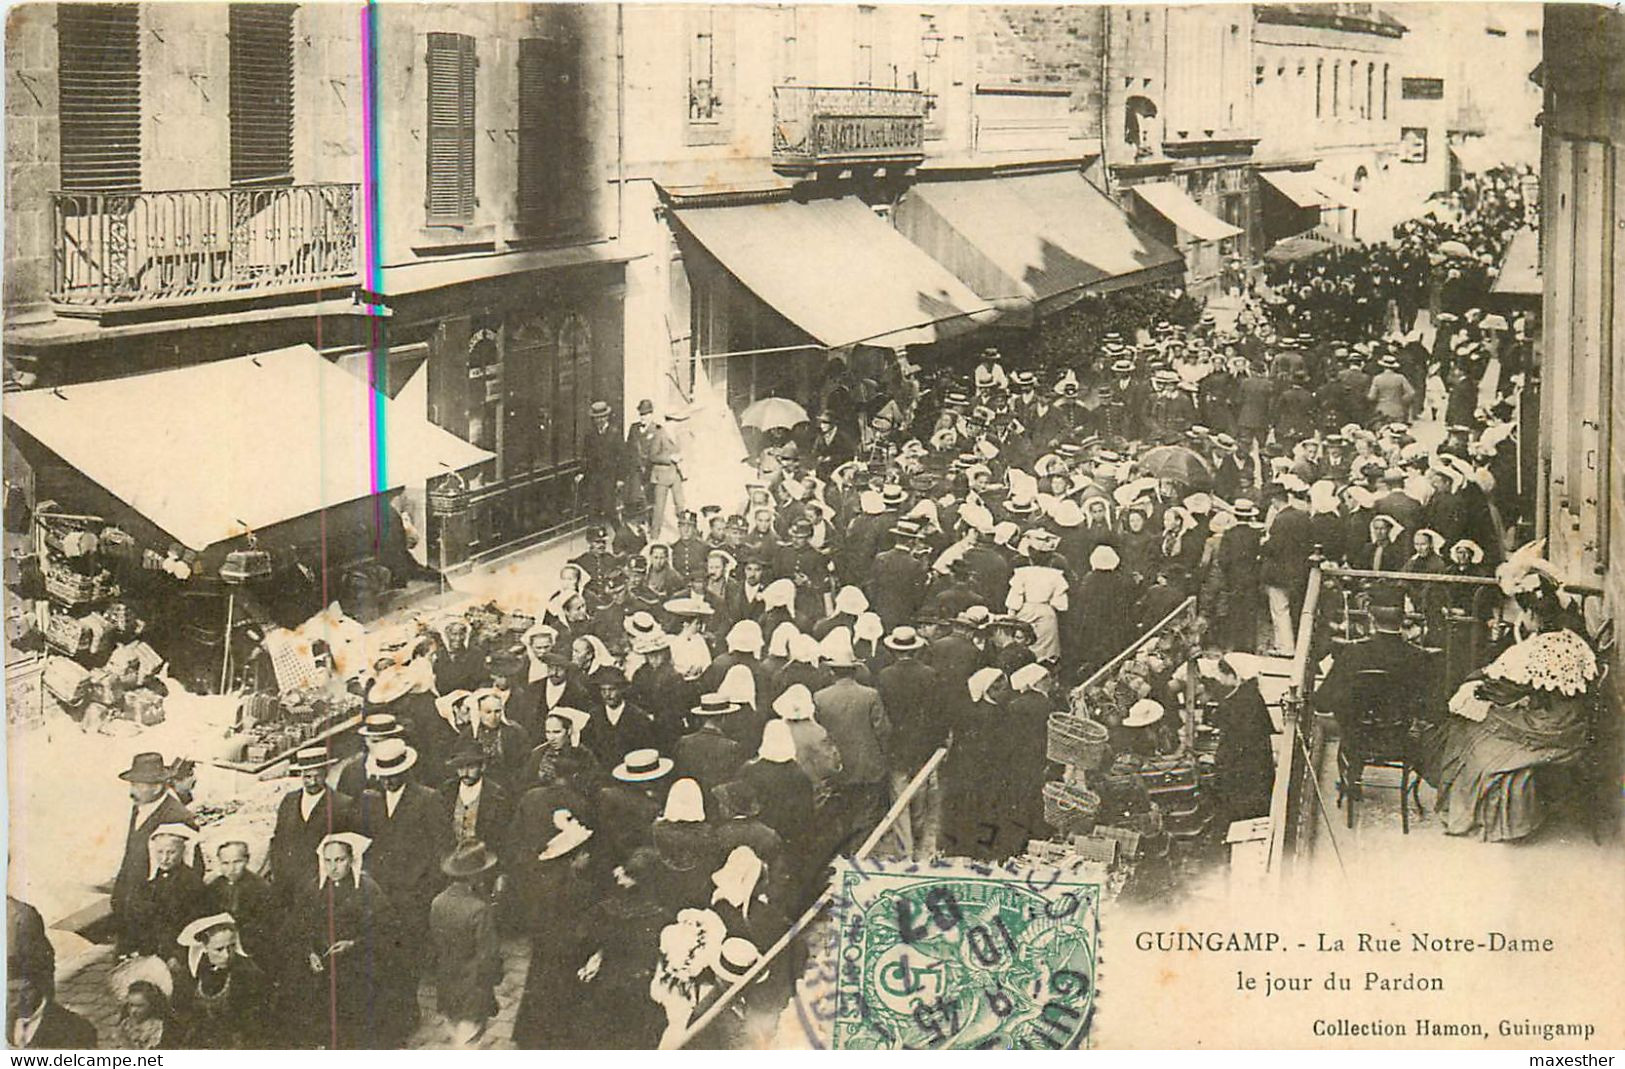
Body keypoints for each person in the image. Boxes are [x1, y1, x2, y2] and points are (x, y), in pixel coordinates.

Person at [293, 833, 399, 1048]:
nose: (333, 867)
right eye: (328, 861)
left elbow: (388, 929)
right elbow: (300, 926)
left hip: (358, 967)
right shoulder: (314, 888)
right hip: (322, 967)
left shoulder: (367, 888)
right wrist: (310, 953)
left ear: (351, 860)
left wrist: (354, 944)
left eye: (340, 860)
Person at [111, 752, 196, 953]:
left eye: (137, 785)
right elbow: (131, 854)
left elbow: (186, 878)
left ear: (157, 786)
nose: (132, 791)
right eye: (132, 784)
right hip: (134, 909)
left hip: (156, 917)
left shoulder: (176, 817)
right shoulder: (141, 807)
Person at [430, 841, 505, 1046]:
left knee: (455, 1034)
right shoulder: (479, 909)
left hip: (446, 984)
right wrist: (495, 978)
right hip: (473, 989)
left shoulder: (437, 902)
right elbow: (488, 956)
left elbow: (436, 945)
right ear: (476, 876)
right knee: (470, 1042)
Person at [171, 914, 269, 1049]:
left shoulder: (249, 976)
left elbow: (255, 1026)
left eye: (231, 947)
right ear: (204, 948)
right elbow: (182, 1015)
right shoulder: (192, 975)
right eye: (219, 949)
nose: (227, 955)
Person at [269, 747, 356, 890]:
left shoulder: (342, 804)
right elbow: (278, 840)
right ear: (301, 775)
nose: (313, 782)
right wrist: (278, 872)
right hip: (288, 881)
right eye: (307, 777)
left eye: (318, 776)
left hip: (320, 883)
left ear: (326, 774)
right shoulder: (289, 800)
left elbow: (346, 850)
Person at [119, 823, 207, 961]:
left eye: (171, 852)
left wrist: (175, 955)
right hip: (151, 947)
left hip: (176, 949)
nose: (165, 858)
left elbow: (191, 923)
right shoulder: (152, 879)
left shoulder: (191, 881)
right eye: (160, 852)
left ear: (183, 852)